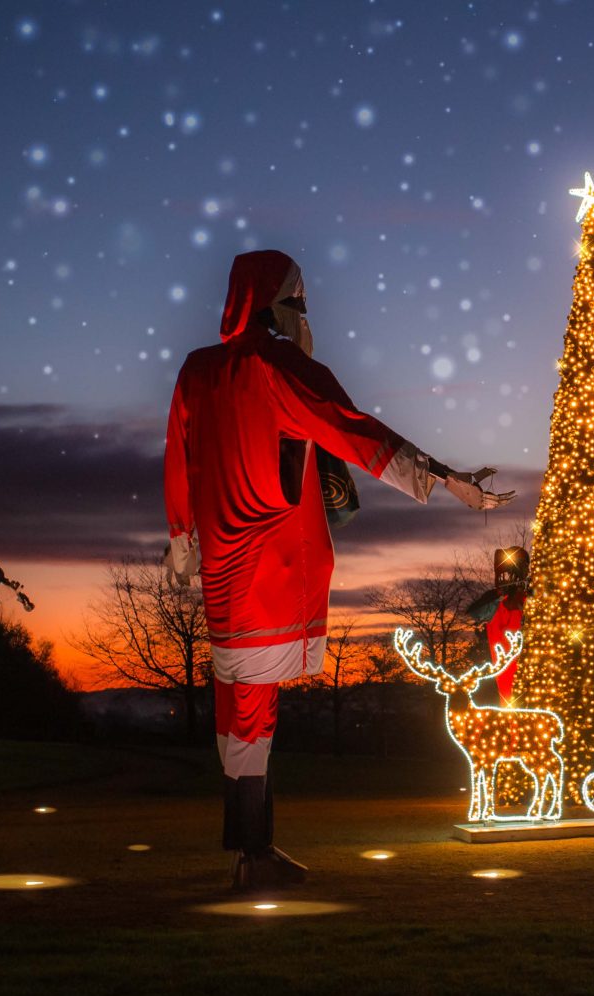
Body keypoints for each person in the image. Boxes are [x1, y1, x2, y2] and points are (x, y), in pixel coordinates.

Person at [165, 249, 513, 892]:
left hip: (222, 565)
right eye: (296, 303)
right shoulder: (279, 364)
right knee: (250, 712)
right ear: (269, 304)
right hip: (272, 563)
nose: (303, 316)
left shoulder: (196, 371)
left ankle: (253, 850)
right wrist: (443, 478)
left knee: (242, 707)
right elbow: (351, 428)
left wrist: (183, 538)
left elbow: (179, 458)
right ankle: (251, 854)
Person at [465, 547, 529, 702]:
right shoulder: (495, 602)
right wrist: (497, 595)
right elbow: (475, 612)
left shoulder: (528, 599)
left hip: (527, 661)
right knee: (509, 697)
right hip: (504, 665)